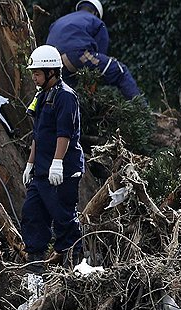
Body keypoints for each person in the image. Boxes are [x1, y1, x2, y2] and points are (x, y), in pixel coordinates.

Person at [21, 45, 85, 270]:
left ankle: (73, 269)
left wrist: (57, 163)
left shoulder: (65, 97)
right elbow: (38, 134)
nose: (34, 77)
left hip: (62, 171)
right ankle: (35, 273)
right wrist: (30, 163)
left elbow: (64, 133)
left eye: (37, 73)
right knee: (32, 215)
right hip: (41, 171)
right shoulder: (41, 96)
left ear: (52, 72)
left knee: (64, 219)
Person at [45, 0, 141, 99]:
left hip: (53, 60)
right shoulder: (97, 21)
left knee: (69, 89)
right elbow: (100, 55)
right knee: (120, 72)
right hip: (78, 53)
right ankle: (143, 111)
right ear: (96, 13)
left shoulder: (59, 20)